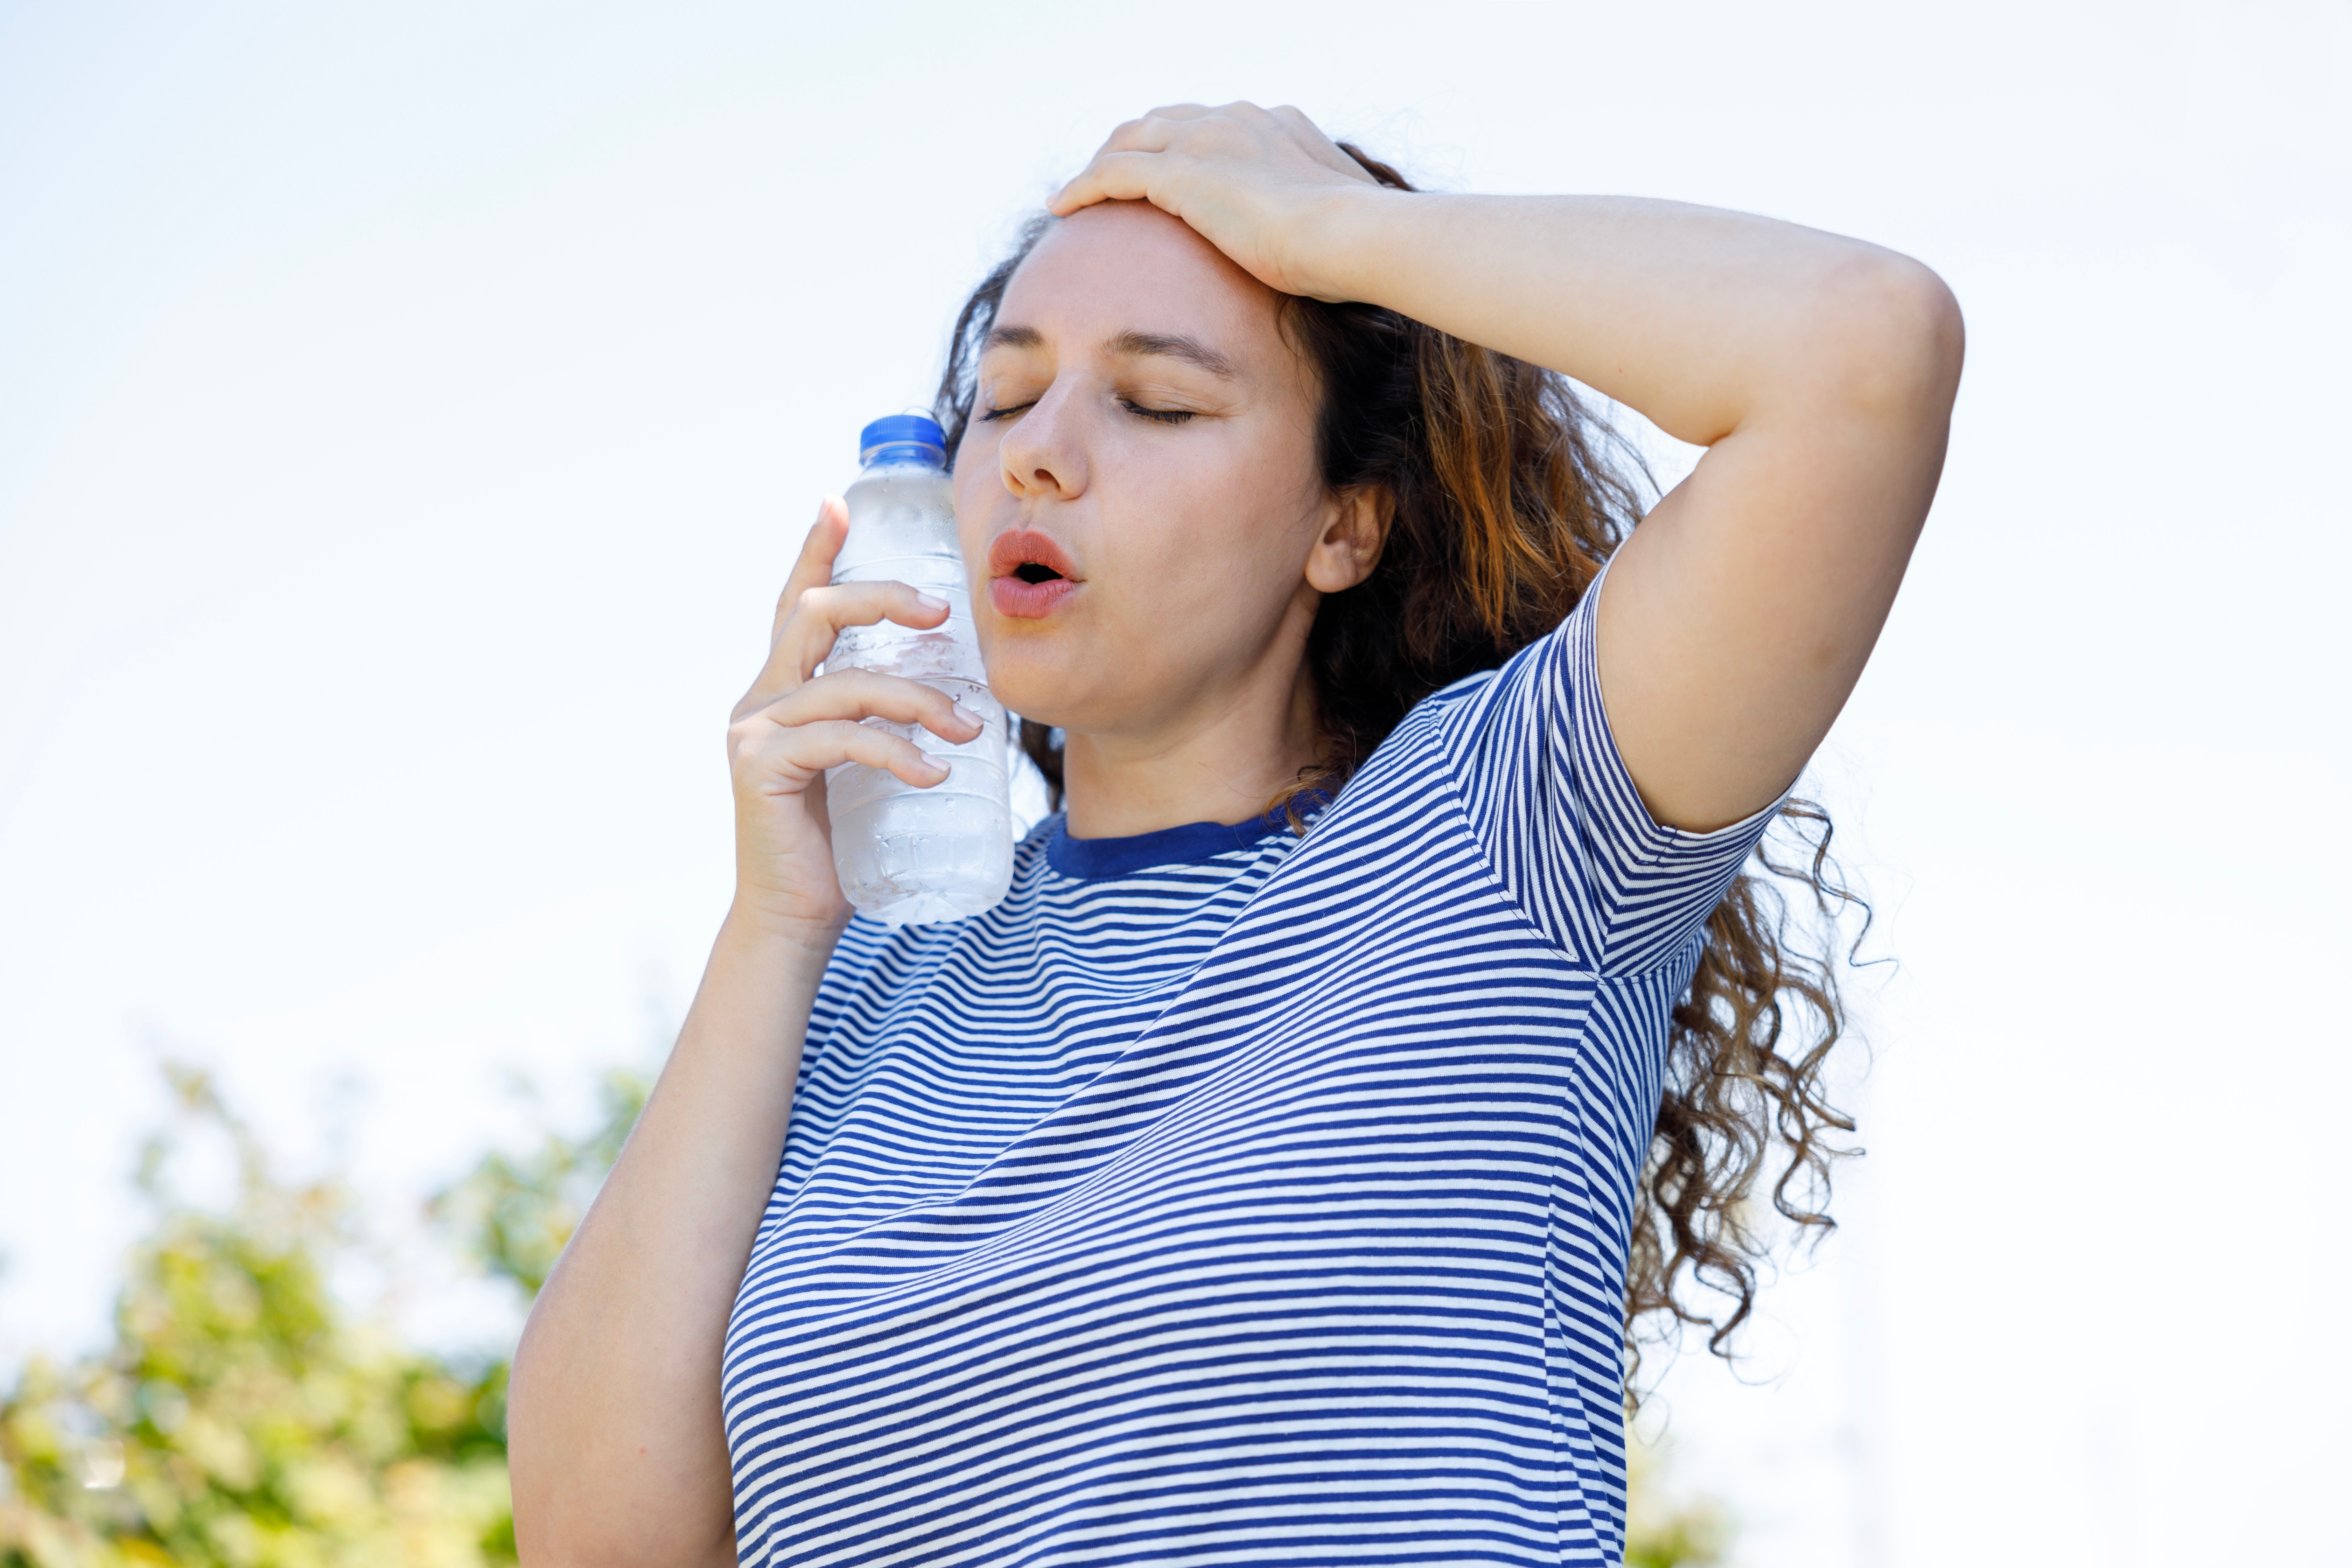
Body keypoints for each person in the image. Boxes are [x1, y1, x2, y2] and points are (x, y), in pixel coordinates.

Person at [506, 103, 1962, 1568]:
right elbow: (597, 1545)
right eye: (1005, 398)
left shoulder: (1505, 836)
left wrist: (1339, 237)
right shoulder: (851, 988)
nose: (1038, 455)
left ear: (1345, 526)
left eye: (1157, 403)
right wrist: (773, 927)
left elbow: (1862, 349)